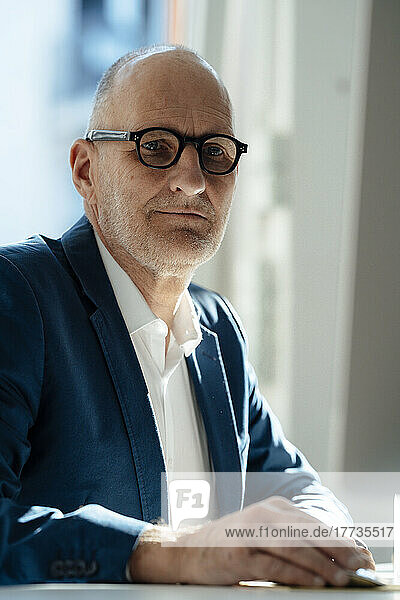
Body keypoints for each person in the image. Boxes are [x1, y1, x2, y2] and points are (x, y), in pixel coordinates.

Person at [0, 44, 374, 586]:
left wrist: (316, 537)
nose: (193, 181)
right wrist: (170, 551)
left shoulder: (218, 329)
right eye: (155, 147)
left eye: (216, 153)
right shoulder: (19, 296)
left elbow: (296, 487)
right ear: (86, 170)